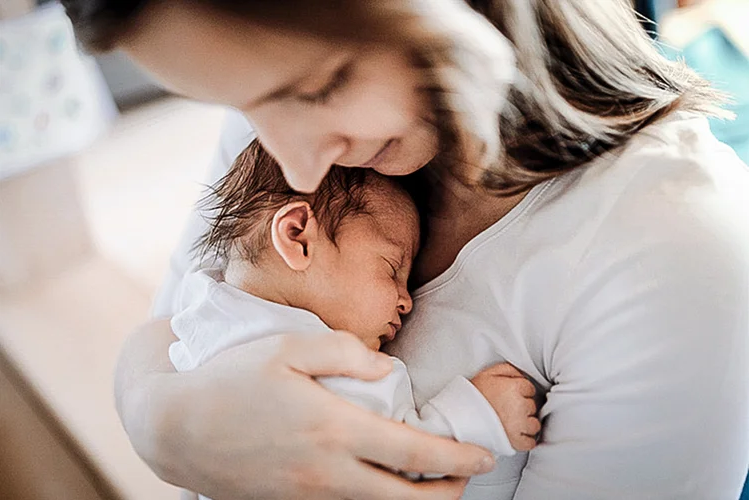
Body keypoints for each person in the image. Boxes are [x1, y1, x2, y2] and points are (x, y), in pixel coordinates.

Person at [62, 0, 749, 498]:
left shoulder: (675, 251)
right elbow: (173, 322)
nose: (294, 165)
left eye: (318, 88)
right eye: (241, 104)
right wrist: (161, 422)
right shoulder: (284, 143)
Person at [171, 139, 540, 499]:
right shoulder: (321, 361)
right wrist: (476, 416)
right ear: (297, 237)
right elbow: (388, 469)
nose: (406, 301)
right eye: (393, 269)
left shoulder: (204, 310)